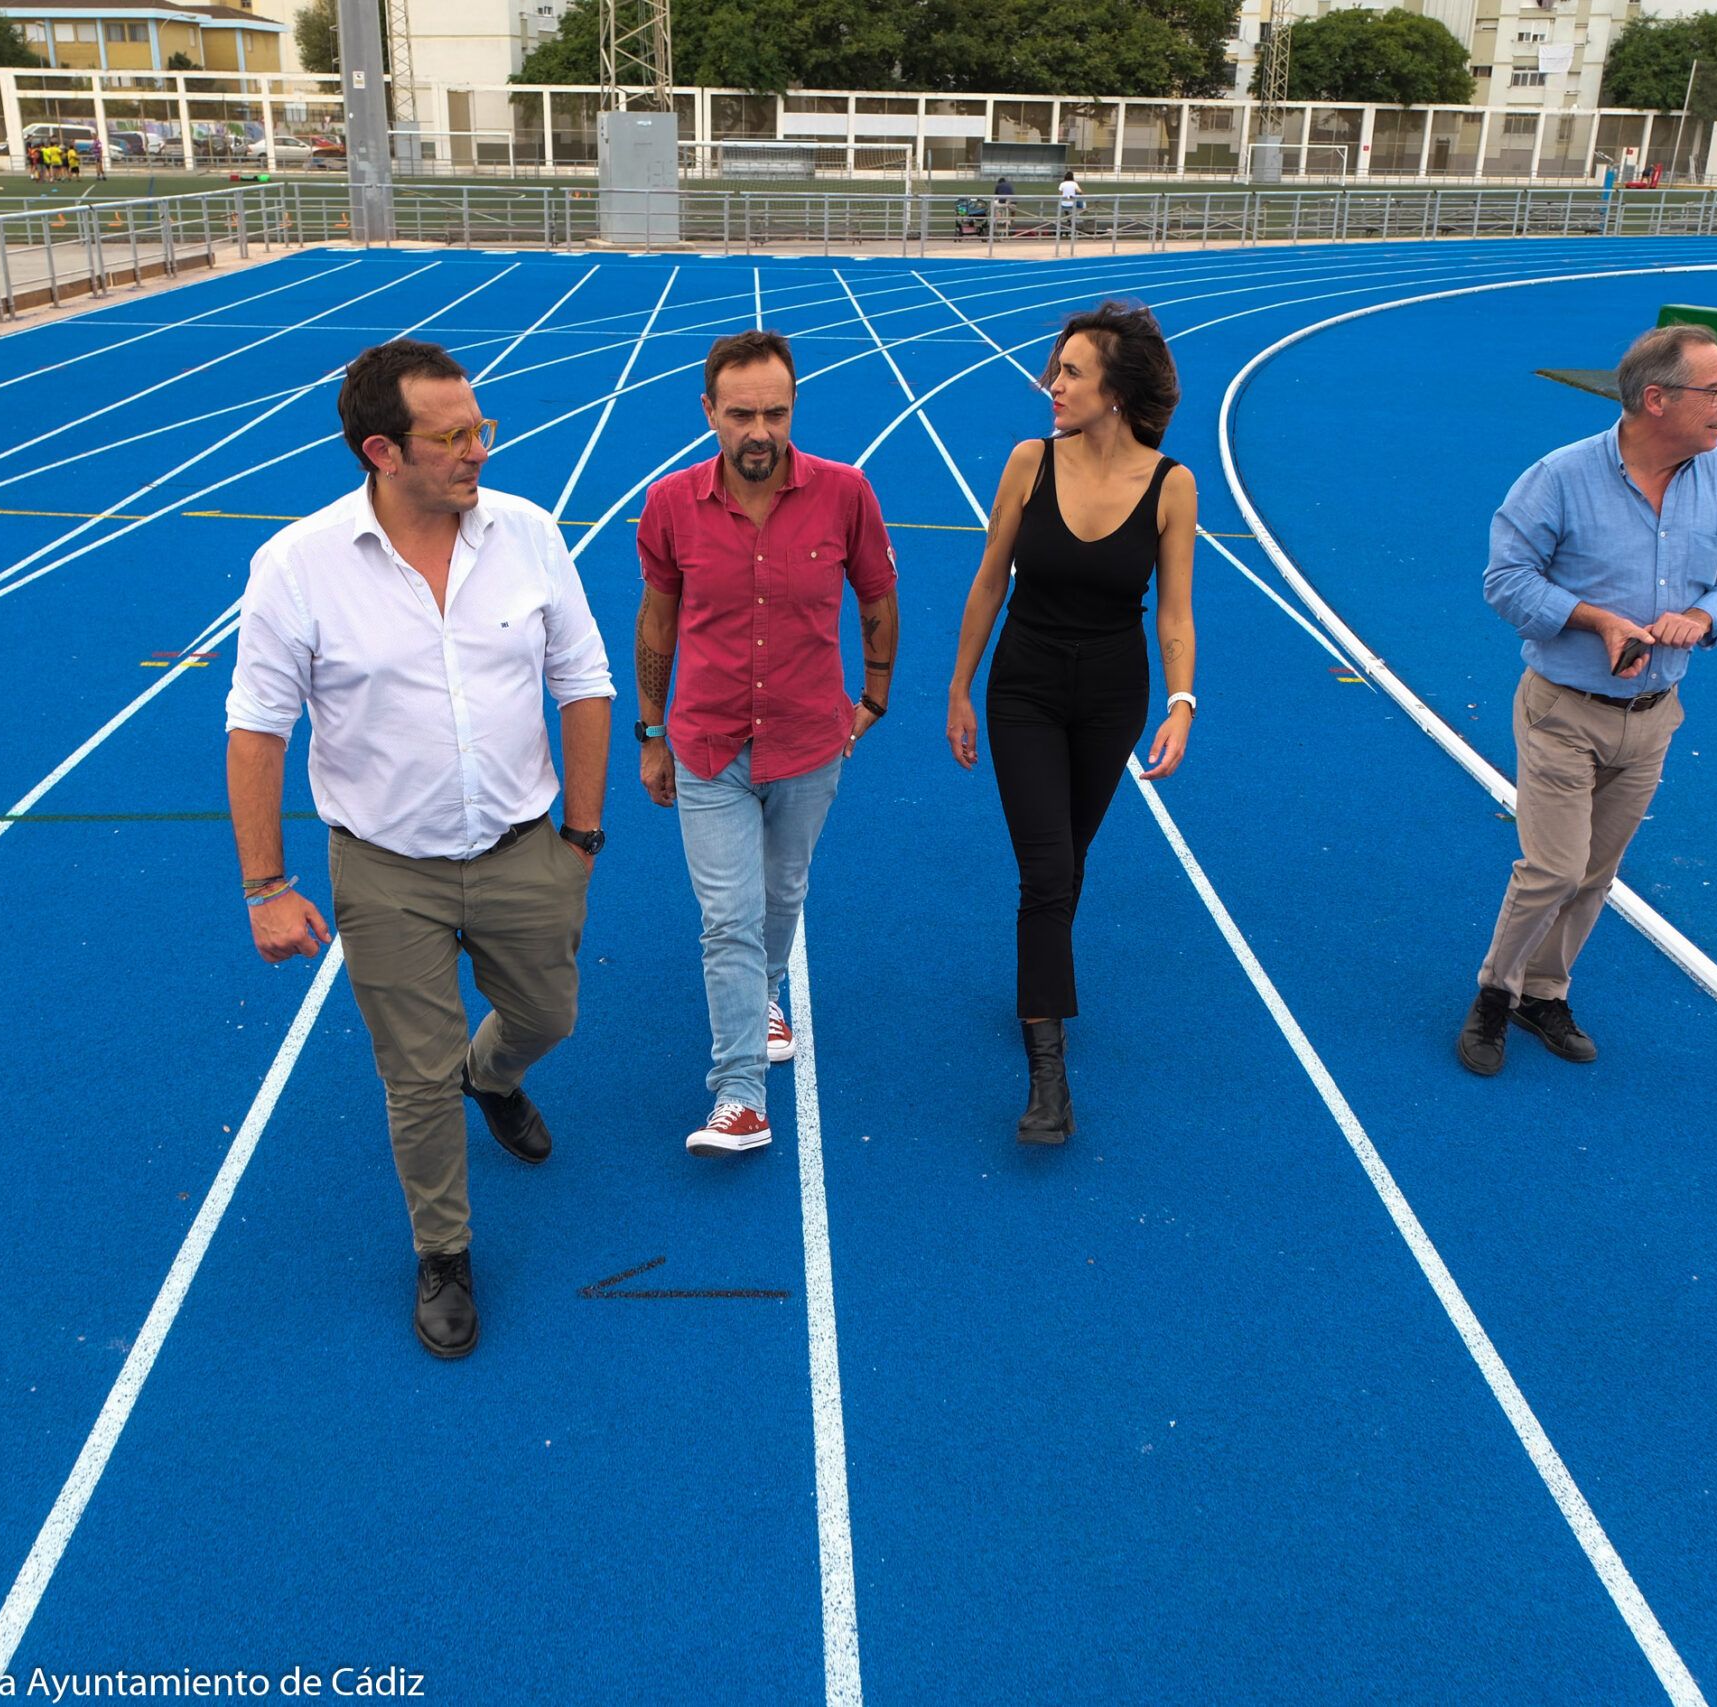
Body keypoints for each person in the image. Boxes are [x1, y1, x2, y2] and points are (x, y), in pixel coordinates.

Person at [225, 338, 615, 1359]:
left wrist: (579, 833)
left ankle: (495, 1076)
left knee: (549, 1014)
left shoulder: (527, 534)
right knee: (414, 1076)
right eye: (452, 438)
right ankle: (444, 1253)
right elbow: (257, 729)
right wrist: (266, 886)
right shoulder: (297, 567)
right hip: (386, 868)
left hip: (526, 844)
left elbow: (582, 681)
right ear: (381, 452)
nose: (478, 450)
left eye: (479, 428)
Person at [1458, 323, 1717, 1075]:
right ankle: (1494, 993)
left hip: (1655, 717)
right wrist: (1595, 620)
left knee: (1596, 873)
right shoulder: (1559, 477)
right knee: (1555, 868)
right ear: (1656, 400)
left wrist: (1701, 617)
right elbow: (1505, 580)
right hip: (1564, 710)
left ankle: (1544, 991)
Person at [634, 330, 899, 1158]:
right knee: (728, 917)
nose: (760, 430)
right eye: (742, 413)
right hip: (706, 743)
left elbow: (877, 597)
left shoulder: (847, 493)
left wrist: (876, 696)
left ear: (794, 409)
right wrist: (649, 731)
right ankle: (740, 1093)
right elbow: (657, 619)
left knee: (781, 896)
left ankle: (769, 993)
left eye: (775, 412)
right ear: (708, 411)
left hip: (809, 742)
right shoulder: (670, 503)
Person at [946, 301, 1197, 1144]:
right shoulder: (1028, 462)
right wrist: (958, 688)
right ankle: (1048, 1078)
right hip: (1024, 686)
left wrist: (1181, 704)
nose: (1052, 384)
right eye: (1057, 370)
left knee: (1070, 855)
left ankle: (1038, 975)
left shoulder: (1172, 485)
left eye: (1072, 372)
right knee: (1047, 870)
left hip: (1113, 696)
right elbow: (988, 582)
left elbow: (1175, 615)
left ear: (1116, 391)